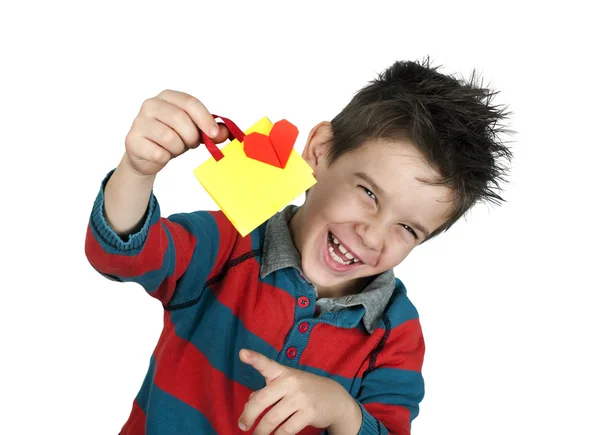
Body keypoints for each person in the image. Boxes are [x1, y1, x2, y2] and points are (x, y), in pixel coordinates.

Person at [85, 58, 512, 435]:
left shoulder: (394, 333)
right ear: (321, 152)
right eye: (369, 193)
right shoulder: (229, 243)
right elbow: (121, 254)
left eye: (408, 228)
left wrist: (342, 412)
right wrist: (137, 171)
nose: (372, 235)